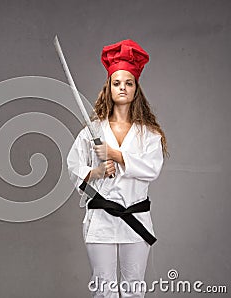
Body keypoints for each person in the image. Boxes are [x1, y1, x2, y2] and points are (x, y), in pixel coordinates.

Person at [67, 39, 168, 298]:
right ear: (109, 87)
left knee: (134, 289)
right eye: (117, 83)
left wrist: (116, 155)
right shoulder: (93, 132)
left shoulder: (149, 134)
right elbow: (73, 166)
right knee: (104, 289)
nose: (122, 88)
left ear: (136, 89)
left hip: (135, 221)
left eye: (129, 83)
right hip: (100, 222)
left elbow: (151, 169)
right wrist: (97, 172)